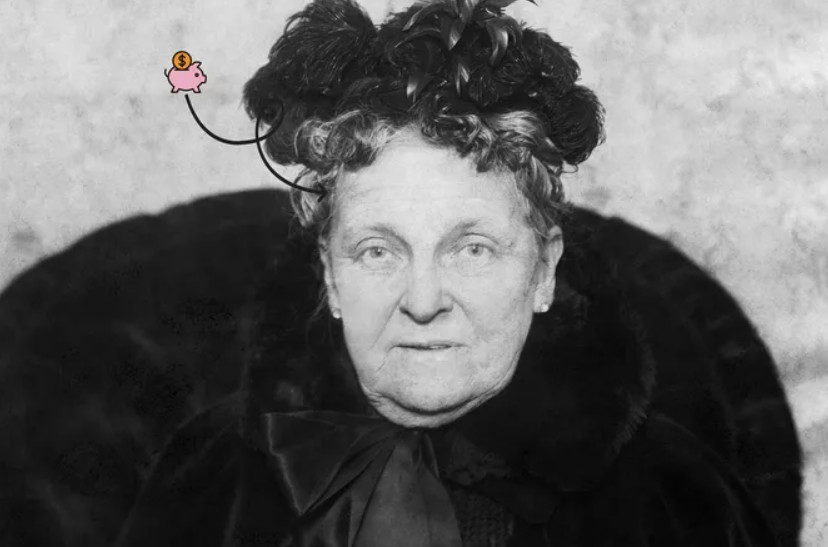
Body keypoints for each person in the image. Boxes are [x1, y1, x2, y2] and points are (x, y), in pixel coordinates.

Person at [0, 0, 802, 546]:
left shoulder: (680, 501)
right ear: (329, 276)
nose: (422, 300)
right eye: (378, 251)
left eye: (472, 248)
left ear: (545, 271)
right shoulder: (212, 478)